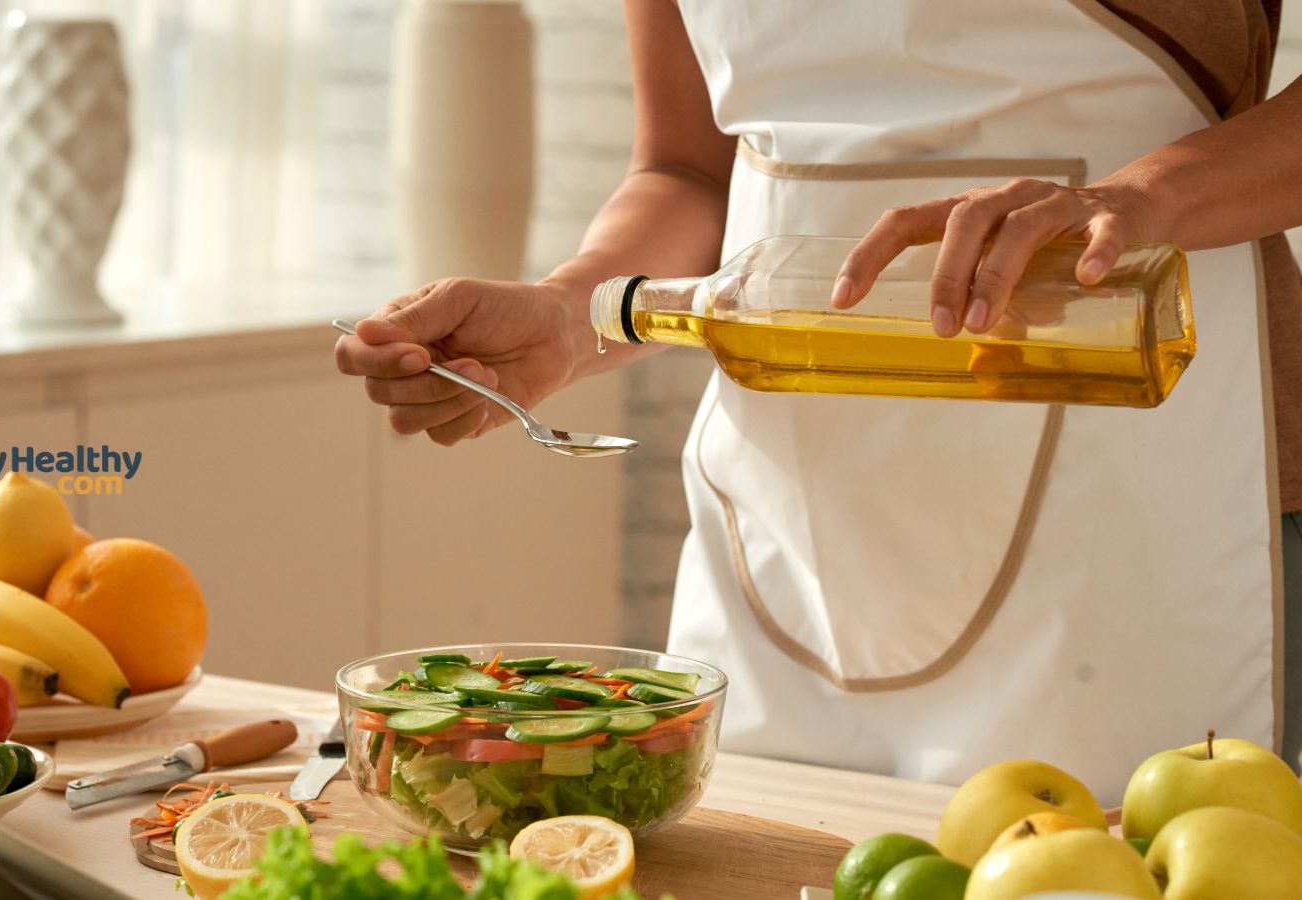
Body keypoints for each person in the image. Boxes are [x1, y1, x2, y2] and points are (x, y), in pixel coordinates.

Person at [335, 0, 1302, 799]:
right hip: (787, 513)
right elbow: (686, 168)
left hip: (1137, 486)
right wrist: (569, 311)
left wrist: (1142, 196)